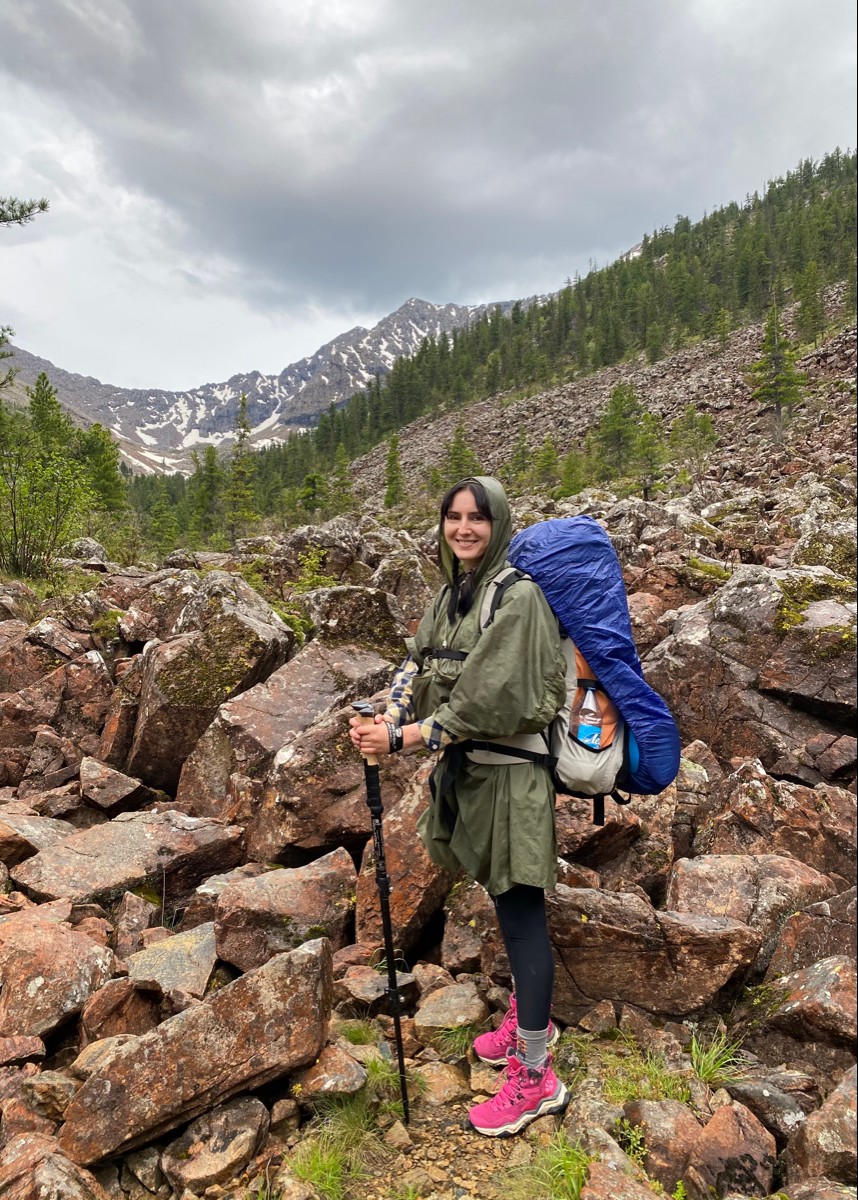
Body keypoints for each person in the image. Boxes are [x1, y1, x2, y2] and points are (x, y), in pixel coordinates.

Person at [349, 475, 570, 1137]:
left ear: (498, 523)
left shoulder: (520, 597)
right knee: (505, 902)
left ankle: (537, 1078)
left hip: (513, 782)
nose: (465, 528)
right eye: (454, 517)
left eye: (478, 517)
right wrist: (388, 709)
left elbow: (486, 697)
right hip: (473, 780)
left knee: (523, 910)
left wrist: (403, 737)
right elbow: (416, 663)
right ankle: (531, 1022)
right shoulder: (452, 595)